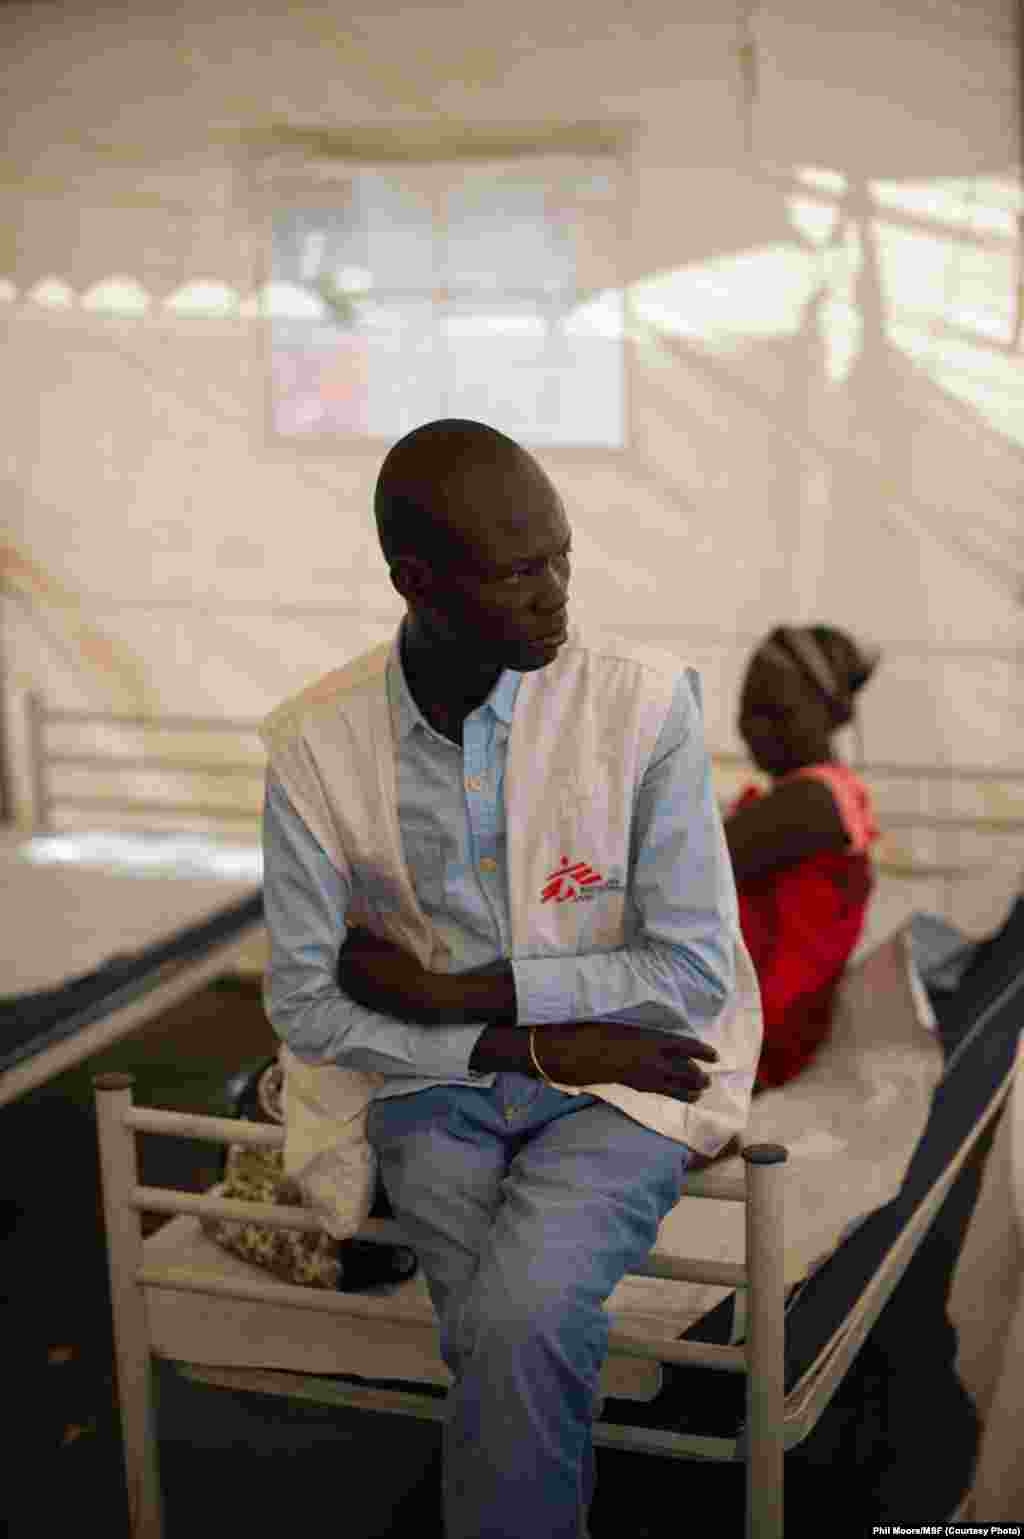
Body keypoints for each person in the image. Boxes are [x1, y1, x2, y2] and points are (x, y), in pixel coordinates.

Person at [260, 418, 761, 1539]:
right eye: (518, 569)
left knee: (517, 1315)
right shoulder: (312, 745)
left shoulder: (638, 707)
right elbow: (304, 1002)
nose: (556, 593)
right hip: (435, 1089)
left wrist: (458, 995)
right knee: (509, 1332)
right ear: (415, 580)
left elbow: (686, 972)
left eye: (562, 556)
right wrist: (517, 1044)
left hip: (633, 1078)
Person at [725, 624, 881, 1091]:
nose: (753, 726)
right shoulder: (828, 793)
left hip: (756, 1039)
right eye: (748, 709)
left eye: (775, 711)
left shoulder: (810, 801)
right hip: (774, 1028)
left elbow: (672, 870)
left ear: (828, 711)